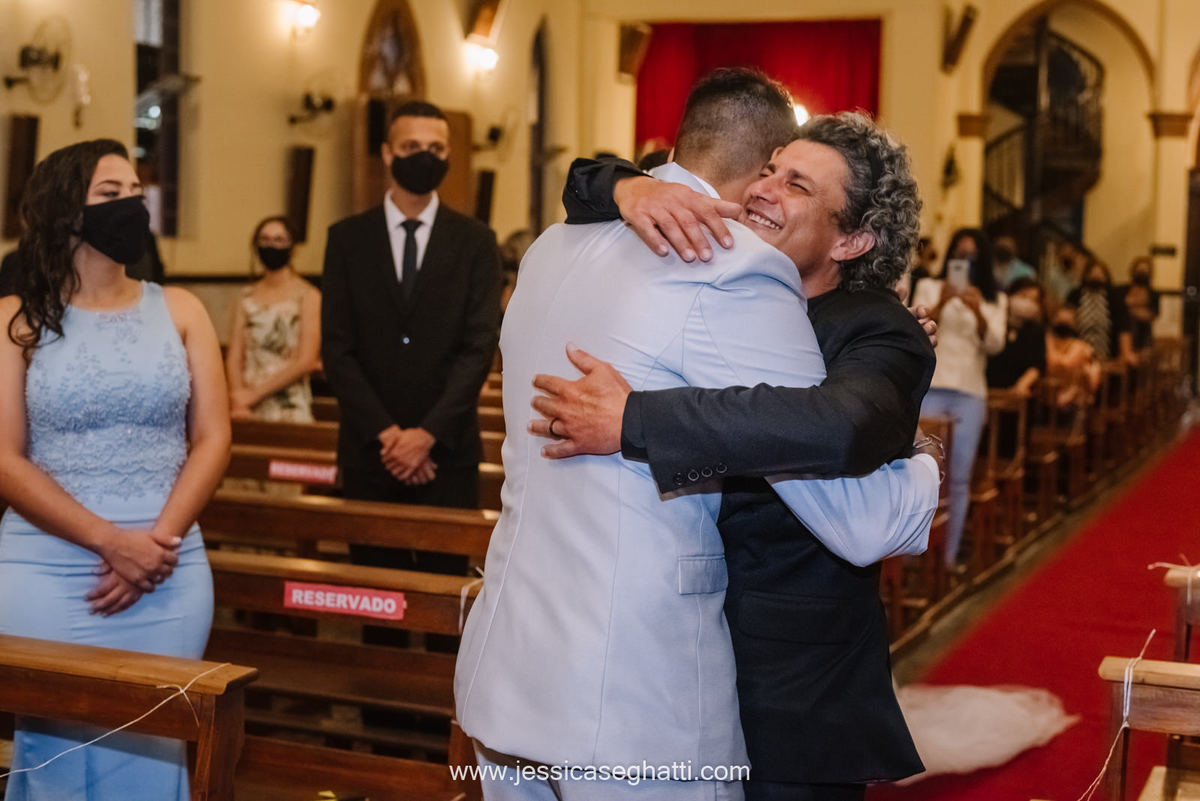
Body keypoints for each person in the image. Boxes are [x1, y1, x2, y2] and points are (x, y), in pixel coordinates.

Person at [464, 100, 941, 800]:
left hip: (790, 690)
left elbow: (841, 438)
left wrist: (636, 417)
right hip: (667, 663)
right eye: (771, 170)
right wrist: (622, 184)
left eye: (797, 186)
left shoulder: (879, 329)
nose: (763, 190)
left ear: (851, 242)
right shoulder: (719, 281)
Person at [0, 139, 229, 799]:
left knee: (158, 747)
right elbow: (6, 458)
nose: (131, 203)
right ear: (66, 208)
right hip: (47, 567)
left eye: (135, 189)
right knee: (54, 756)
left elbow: (214, 437)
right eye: (110, 193)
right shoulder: (17, 320)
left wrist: (157, 543)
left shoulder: (182, 309)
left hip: (169, 565)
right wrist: (110, 541)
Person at [320, 99, 501, 555]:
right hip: (369, 450)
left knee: (444, 599)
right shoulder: (346, 239)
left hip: (447, 451)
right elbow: (337, 349)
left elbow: (479, 349)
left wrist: (426, 436)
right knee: (374, 598)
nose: (425, 156)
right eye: (412, 145)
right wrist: (389, 436)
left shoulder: (475, 241)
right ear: (387, 153)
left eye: (436, 148)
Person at [912, 228, 1007, 569]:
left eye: (972, 255)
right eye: (959, 254)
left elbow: (995, 345)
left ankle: (948, 558)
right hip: (933, 387)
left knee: (959, 477)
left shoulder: (994, 299)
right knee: (923, 472)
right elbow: (916, 328)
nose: (964, 261)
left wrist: (978, 310)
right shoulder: (929, 287)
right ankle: (914, 555)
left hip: (970, 392)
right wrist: (943, 301)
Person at [225, 215, 321, 422]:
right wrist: (238, 396)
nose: (271, 245)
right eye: (265, 240)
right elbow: (235, 355)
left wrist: (255, 394)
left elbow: (306, 360)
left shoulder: (309, 296)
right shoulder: (246, 296)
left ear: (292, 247)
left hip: (289, 402)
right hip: (247, 405)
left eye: (279, 240)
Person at [1066, 259, 1134, 365]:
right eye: (1092, 273)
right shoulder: (1075, 295)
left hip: (1109, 352)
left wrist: (1125, 352)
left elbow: (1123, 326)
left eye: (1100, 273)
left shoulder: (1114, 297)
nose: (1096, 276)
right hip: (1078, 352)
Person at [987, 276, 1046, 398]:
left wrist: (1021, 386)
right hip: (986, 389)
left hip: (1018, 395)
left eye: (1034, 300)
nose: (1027, 303)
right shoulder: (994, 322)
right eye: (1023, 296)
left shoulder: (1035, 332)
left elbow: (1037, 365)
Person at [1120, 255, 1159, 353]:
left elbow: (1152, 314)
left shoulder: (1153, 293)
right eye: (1139, 270)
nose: (1142, 274)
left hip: (1144, 335)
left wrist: (1133, 310)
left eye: (1145, 271)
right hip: (1125, 333)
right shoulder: (1123, 290)